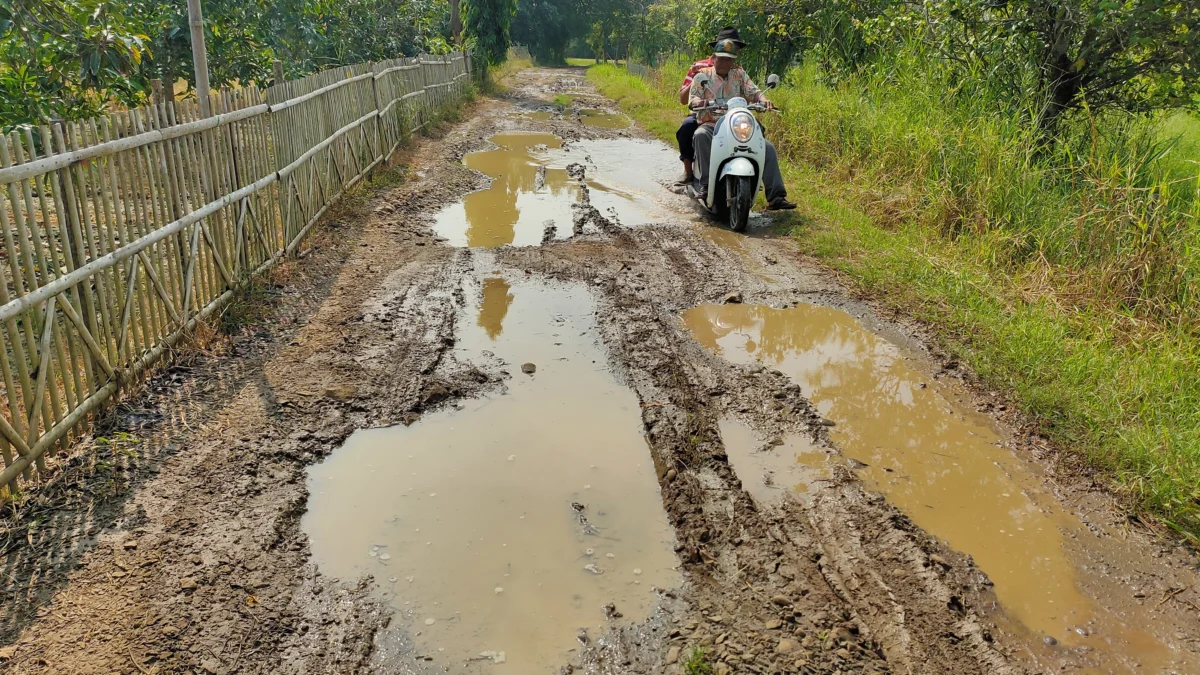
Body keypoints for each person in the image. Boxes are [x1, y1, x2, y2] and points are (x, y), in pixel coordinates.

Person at [689, 29, 796, 210]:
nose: (725, 62)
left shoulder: (739, 74)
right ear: (714, 58)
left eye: (729, 59)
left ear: (733, 61)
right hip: (712, 124)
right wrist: (701, 102)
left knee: (766, 147)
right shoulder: (703, 75)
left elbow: (753, 92)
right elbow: (693, 99)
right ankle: (706, 185)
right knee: (700, 135)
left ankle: (776, 196)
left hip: (737, 124)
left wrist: (764, 101)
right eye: (721, 58)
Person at [673, 52, 716, 185]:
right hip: (700, 113)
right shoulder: (699, 66)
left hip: (726, 115)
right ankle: (688, 171)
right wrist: (695, 80)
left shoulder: (736, 71)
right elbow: (683, 99)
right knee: (687, 127)